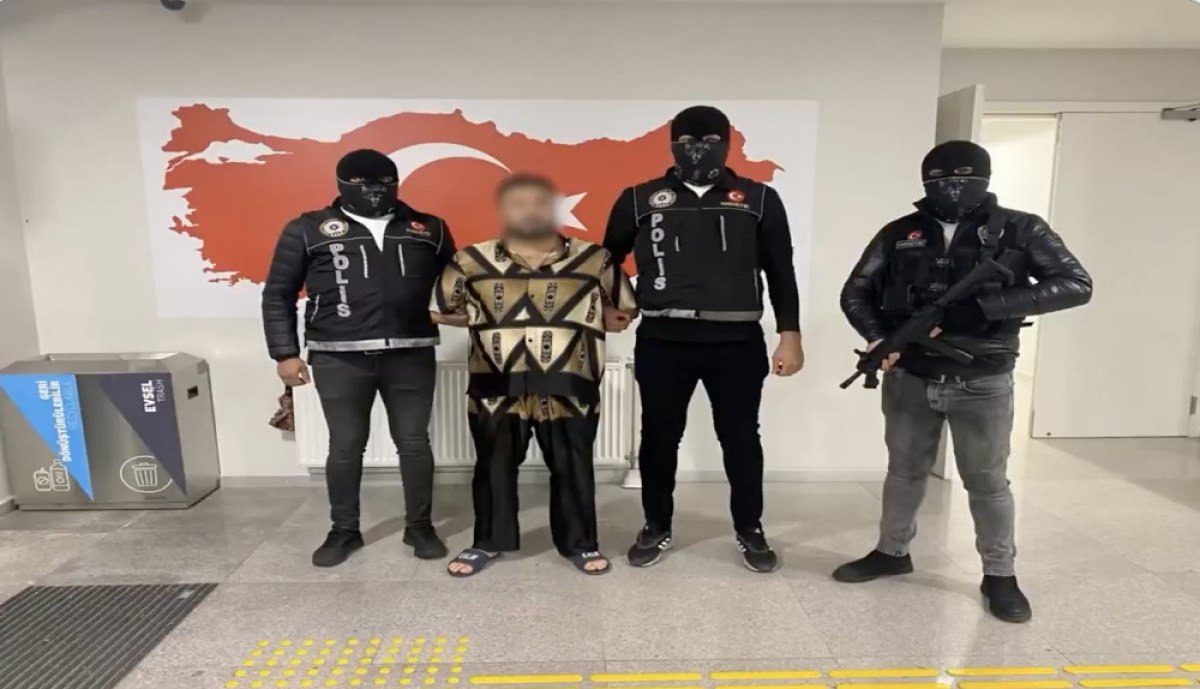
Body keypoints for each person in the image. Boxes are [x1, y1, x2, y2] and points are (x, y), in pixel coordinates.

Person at [835, 140, 1093, 622]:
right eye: (940, 180)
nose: (951, 188)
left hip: (983, 378)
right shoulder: (900, 232)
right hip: (911, 375)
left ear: (984, 179)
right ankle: (892, 552)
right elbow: (856, 291)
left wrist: (986, 308)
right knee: (903, 472)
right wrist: (879, 339)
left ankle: (1000, 575)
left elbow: (1076, 285)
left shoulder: (1022, 229)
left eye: (963, 178)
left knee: (987, 482)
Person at [603, 105, 804, 573]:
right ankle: (656, 525)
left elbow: (780, 269)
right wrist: (613, 303)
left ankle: (750, 528)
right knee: (659, 437)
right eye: (688, 141)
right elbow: (605, 259)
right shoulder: (639, 198)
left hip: (736, 340)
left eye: (710, 141)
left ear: (727, 144)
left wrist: (789, 334)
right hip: (663, 338)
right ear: (673, 145)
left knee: (740, 437)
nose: (699, 149)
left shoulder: (758, 198)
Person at [431, 173, 638, 577]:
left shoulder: (594, 259)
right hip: (495, 382)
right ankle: (487, 541)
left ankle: (580, 544)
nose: (530, 211)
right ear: (504, 211)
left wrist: (596, 317)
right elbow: (439, 309)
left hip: (570, 382)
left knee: (573, 465)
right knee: (493, 466)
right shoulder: (471, 260)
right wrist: (486, 318)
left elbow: (624, 310)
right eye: (518, 203)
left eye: (540, 203)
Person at [261, 148, 455, 567]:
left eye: (384, 184)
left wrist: (461, 312)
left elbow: (456, 283)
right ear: (343, 185)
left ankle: (420, 527)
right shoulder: (307, 229)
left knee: (414, 443)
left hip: (411, 351)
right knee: (346, 445)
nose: (375, 191)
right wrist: (284, 353)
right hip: (338, 356)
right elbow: (278, 293)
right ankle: (344, 530)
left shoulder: (429, 227)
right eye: (363, 185)